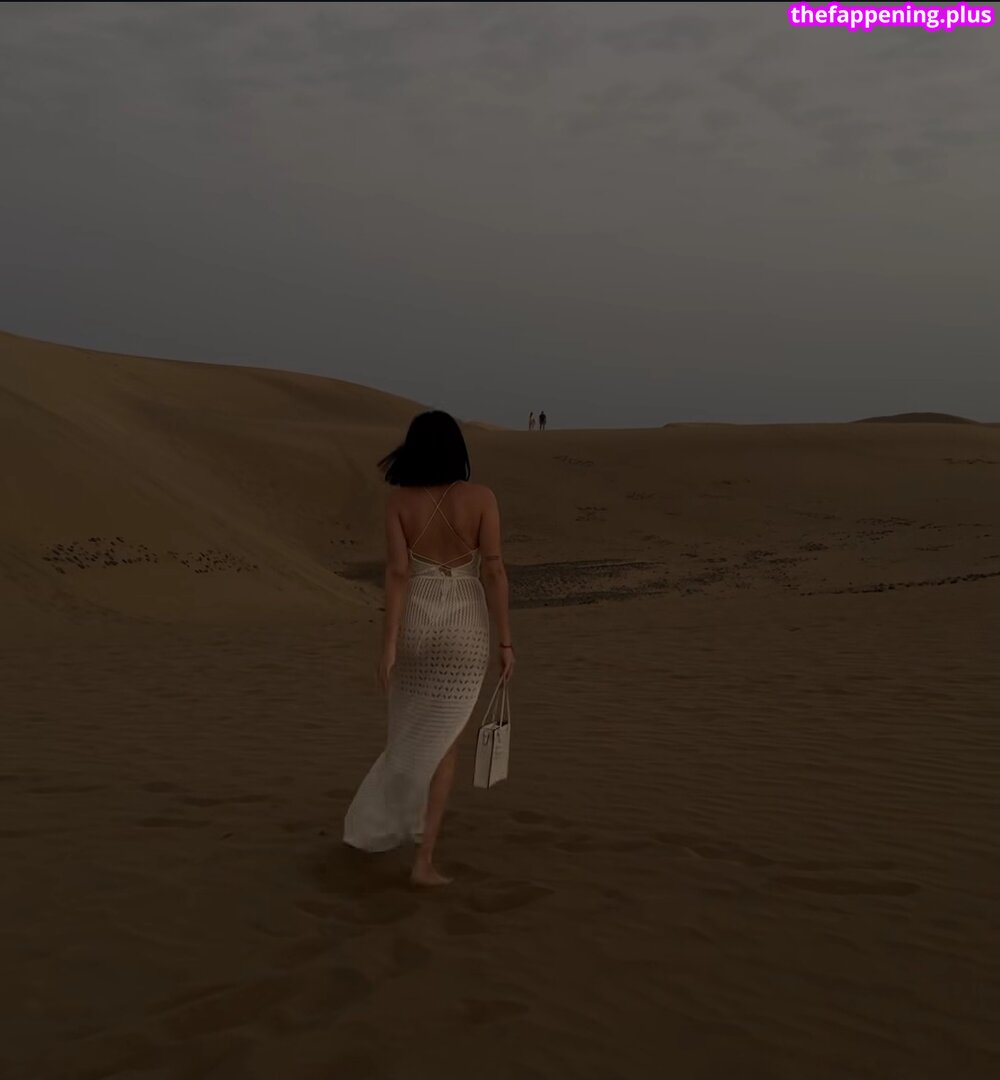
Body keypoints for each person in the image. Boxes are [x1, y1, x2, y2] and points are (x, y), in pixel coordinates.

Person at [343, 410, 515, 887]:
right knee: (446, 742)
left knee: (407, 734)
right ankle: (423, 861)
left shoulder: (400, 502)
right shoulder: (482, 499)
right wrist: (506, 641)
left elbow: (398, 574)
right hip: (466, 627)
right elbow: (494, 570)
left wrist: (388, 645)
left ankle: (383, 823)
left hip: (416, 622)